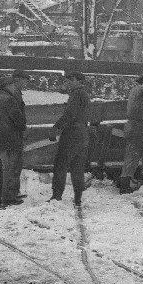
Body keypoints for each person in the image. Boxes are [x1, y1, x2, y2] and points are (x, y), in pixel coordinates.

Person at [0, 71, 30, 208]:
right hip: (9, 141)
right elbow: (20, 121)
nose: (14, 87)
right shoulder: (9, 100)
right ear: (8, 86)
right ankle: (10, 199)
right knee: (11, 168)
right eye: (12, 85)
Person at [49, 71, 93, 206]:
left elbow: (70, 114)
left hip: (72, 133)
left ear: (80, 82)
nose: (68, 82)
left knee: (61, 164)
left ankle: (56, 197)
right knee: (77, 166)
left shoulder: (77, 94)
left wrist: (56, 128)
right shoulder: (82, 94)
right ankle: (78, 198)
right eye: (67, 79)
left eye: (72, 79)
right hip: (82, 134)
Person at [118, 74, 143, 192]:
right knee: (133, 155)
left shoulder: (139, 92)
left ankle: (142, 180)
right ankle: (125, 185)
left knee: (142, 152)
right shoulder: (138, 90)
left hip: (138, 126)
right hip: (135, 126)